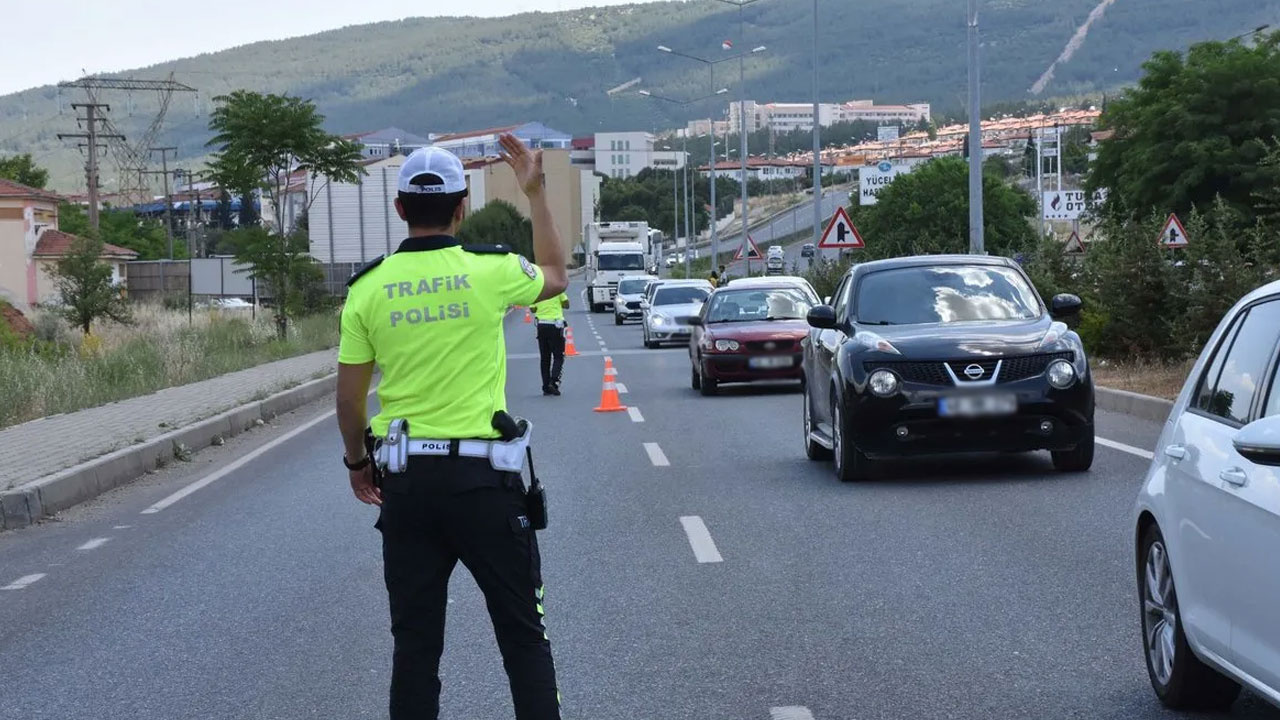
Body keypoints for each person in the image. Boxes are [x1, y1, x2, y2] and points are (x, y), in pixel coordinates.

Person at [335, 135, 568, 720]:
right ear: (462, 207)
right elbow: (556, 275)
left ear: (399, 209)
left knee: (415, 649)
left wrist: (358, 464)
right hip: (484, 484)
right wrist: (535, 193)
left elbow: (349, 397)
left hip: (407, 483)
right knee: (522, 637)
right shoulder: (489, 271)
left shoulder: (367, 289)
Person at [530, 291, 570, 396]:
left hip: (541, 325)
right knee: (558, 356)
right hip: (555, 325)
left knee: (545, 358)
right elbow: (566, 304)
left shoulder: (538, 291)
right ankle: (553, 381)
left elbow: (532, 309)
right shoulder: (557, 289)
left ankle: (546, 386)